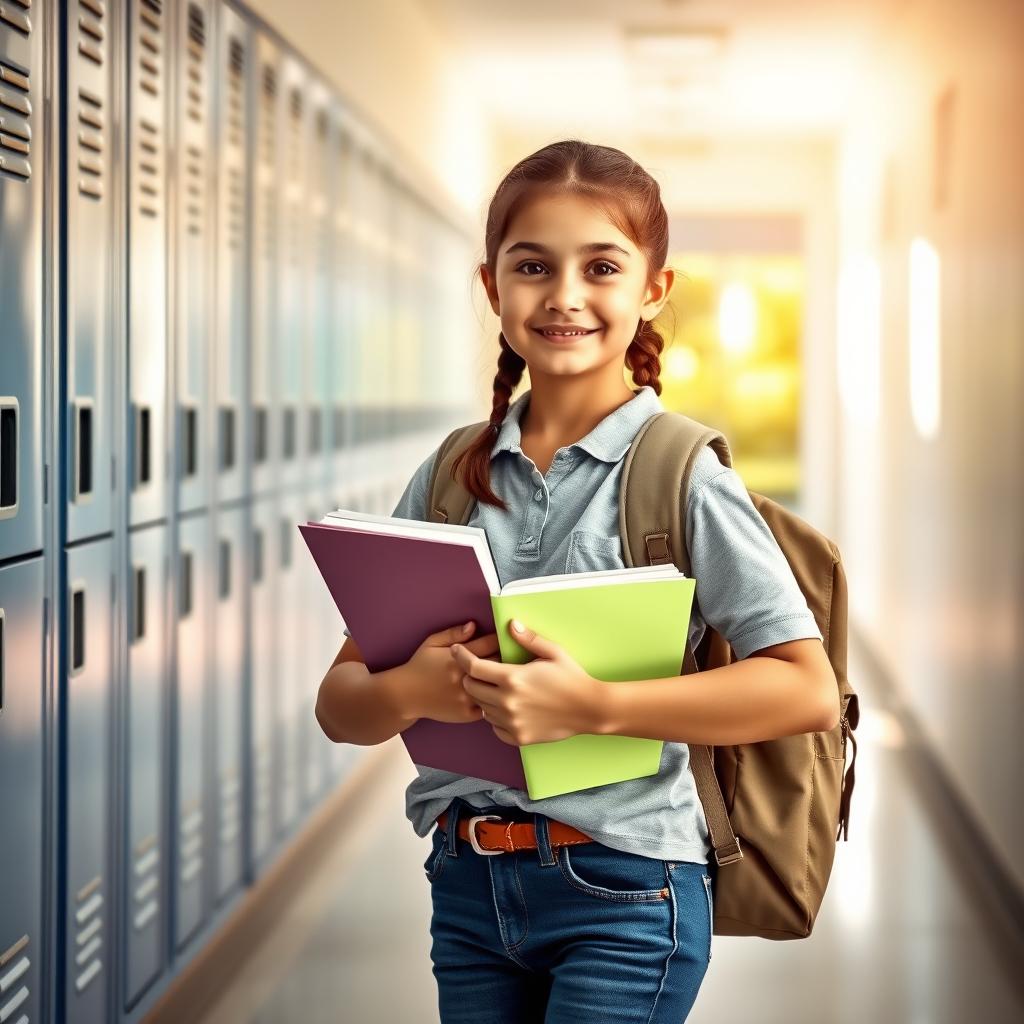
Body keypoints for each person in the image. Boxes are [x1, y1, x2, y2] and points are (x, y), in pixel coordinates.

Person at [315, 139, 837, 1022]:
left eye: (601, 265)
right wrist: (412, 687)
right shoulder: (451, 475)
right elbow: (340, 705)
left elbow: (805, 688)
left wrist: (592, 707)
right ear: (492, 287)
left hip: (630, 889)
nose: (563, 296)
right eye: (532, 266)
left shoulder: (682, 474)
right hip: (467, 886)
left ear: (653, 289)